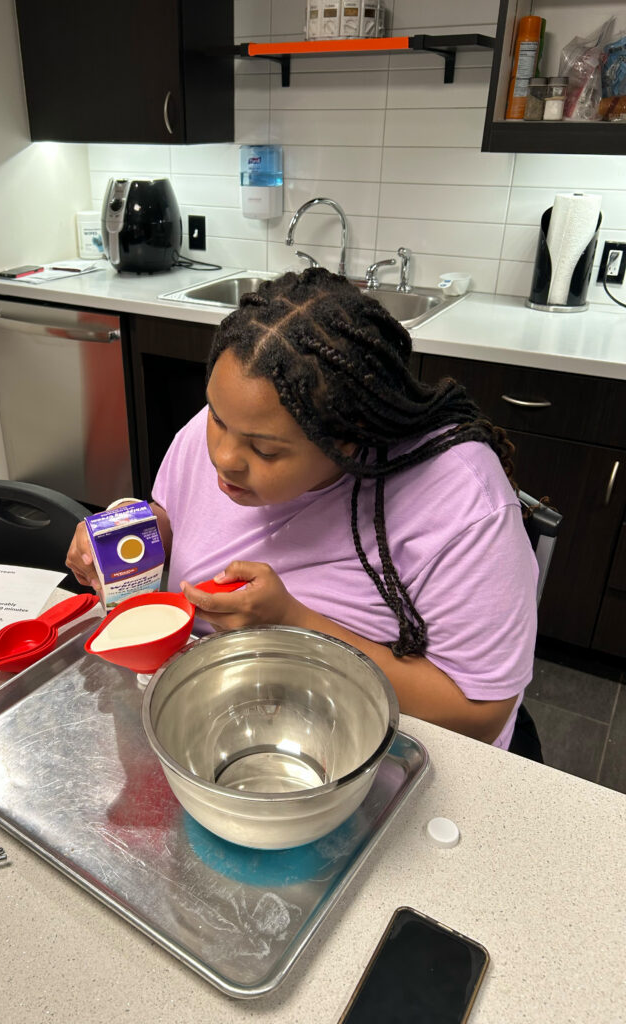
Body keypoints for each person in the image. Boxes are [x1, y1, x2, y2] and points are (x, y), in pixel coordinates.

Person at [67, 268, 538, 750]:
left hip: (358, 741)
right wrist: (130, 533)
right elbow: (179, 515)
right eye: (216, 417)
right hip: (216, 710)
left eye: (265, 450)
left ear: (348, 440)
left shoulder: (461, 503)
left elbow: (478, 714)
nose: (224, 458)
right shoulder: (237, 418)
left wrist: (291, 625)